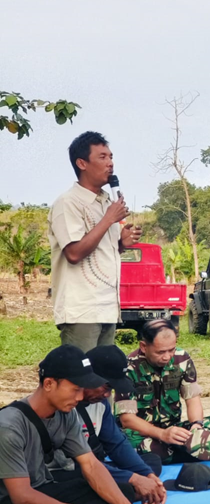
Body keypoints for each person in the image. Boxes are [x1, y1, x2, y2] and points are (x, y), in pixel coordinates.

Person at [0, 345, 160, 504]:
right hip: (9, 502)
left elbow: (91, 465)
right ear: (49, 384)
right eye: (75, 389)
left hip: (42, 489)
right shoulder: (8, 426)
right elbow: (22, 498)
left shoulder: (66, 414)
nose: (80, 396)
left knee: (123, 491)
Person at [48, 131, 142, 351]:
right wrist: (109, 218)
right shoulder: (68, 203)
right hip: (82, 310)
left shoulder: (105, 202)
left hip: (107, 308)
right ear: (82, 163)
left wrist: (120, 244)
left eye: (111, 157)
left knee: (100, 382)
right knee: (80, 381)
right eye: (102, 157)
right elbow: (73, 253)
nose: (110, 163)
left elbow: (98, 250)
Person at [50, 346, 166, 504]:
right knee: (123, 488)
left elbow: (116, 443)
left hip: (93, 463)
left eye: (111, 390)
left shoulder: (101, 403)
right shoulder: (64, 406)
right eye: (106, 387)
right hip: (66, 470)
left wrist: (147, 475)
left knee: (151, 463)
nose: (107, 395)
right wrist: (132, 478)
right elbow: (78, 465)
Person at [115, 319, 210, 463]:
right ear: (144, 346)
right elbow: (127, 419)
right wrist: (162, 434)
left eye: (171, 350)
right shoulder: (129, 367)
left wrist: (196, 427)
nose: (167, 357)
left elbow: (193, 400)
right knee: (128, 444)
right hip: (141, 433)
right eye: (160, 352)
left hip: (172, 429)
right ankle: (195, 452)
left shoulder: (182, 359)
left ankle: (177, 452)